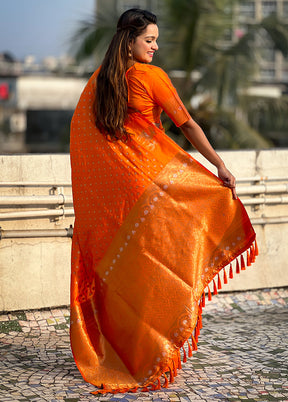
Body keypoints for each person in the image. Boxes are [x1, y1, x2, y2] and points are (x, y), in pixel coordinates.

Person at [70, 8, 257, 395]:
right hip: (150, 190)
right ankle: (153, 349)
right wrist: (219, 165)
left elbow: (84, 139)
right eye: (149, 40)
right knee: (162, 262)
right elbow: (186, 124)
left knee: (130, 270)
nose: (156, 46)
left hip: (120, 197)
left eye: (156, 39)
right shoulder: (151, 76)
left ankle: (125, 350)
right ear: (131, 40)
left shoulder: (99, 80)